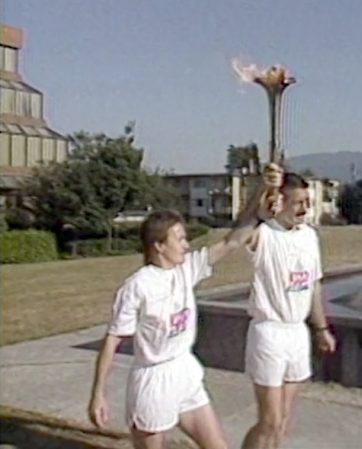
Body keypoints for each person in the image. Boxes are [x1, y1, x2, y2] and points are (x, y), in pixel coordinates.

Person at [87, 165, 283, 449]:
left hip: (185, 373)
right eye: (179, 239)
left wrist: (262, 190)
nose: (186, 245)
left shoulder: (186, 270)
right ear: (158, 246)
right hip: (153, 382)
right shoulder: (137, 286)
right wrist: (98, 394)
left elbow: (233, 240)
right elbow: (112, 340)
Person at [241, 172, 337, 449]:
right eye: (297, 203)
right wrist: (263, 188)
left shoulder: (309, 236)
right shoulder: (264, 234)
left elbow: (314, 286)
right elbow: (240, 228)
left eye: (307, 201)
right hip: (269, 332)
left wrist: (320, 328)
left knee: (282, 419)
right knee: (268, 420)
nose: (304, 209)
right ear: (279, 202)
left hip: (297, 333)